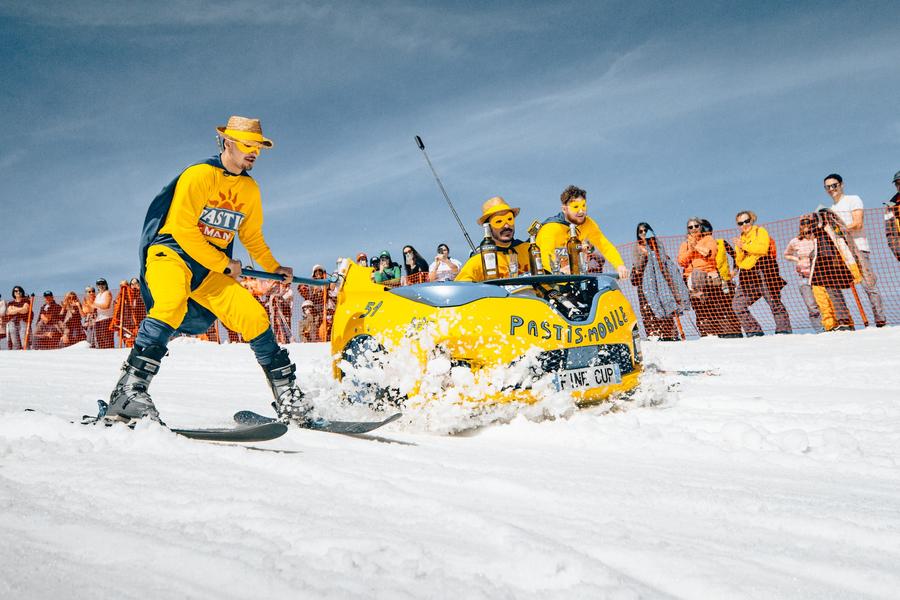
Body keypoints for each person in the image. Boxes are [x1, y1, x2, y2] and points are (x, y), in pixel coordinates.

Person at [104, 115, 310, 424]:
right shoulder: (199, 175)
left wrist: (274, 267)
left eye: (259, 147)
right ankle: (128, 393)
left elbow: (251, 236)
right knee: (170, 304)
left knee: (253, 316)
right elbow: (185, 230)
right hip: (171, 254)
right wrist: (224, 263)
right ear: (228, 142)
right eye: (248, 145)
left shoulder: (250, 190)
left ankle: (288, 396)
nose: (255, 152)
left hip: (211, 269)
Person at [824, 173, 886, 327]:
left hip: (859, 248)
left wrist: (839, 228)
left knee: (868, 284)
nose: (832, 189)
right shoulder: (830, 209)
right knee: (834, 283)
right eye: (828, 187)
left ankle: (880, 320)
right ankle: (845, 322)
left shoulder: (852, 199)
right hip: (842, 252)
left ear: (841, 185)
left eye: (834, 185)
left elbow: (858, 224)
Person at [535, 185, 628, 279]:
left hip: (568, 274)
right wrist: (559, 272)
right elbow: (545, 258)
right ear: (564, 209)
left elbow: (604, 245)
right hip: (536, 273)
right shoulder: (550, 228)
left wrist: (619, 265)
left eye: (583, 206)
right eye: (575, 207)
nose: (581, 211)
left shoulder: (588, 223)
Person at [731, 210, 792, 336]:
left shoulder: (760, 231)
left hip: (763, 270)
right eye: (740, 223)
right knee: (738, 305)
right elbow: (739, 260)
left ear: (752, 220)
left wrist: (744, 247)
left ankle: (783, 330)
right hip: (747, 275)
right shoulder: (740, 239)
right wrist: (741, 249)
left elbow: (762, 249)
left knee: (774, 302)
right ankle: (754, 332)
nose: (744, 225)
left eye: (746, 221)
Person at [630, 222, 685, 340]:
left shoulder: (659, 250)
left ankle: (671, 336)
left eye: (645, 230)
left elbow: (668, 267)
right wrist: (643, 260)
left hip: (662, 287)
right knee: (649, 314)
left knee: (665, 311)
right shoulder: (637, 253)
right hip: (645, 292)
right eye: (641, 232)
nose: (643, 233)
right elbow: (633, 280)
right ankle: (654, 337)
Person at [456, 196, 531, 282]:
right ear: (488, 227)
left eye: (509, 219)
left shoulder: (529, 250)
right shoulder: (479, 259)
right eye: (499, 221)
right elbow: (461, 287)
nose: (506, 226)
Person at [678, 217, 722, 336]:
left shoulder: (708, 239)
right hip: (691, 279)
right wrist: (691, 250)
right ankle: (705, 333)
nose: (693, 229)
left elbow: (710, 254)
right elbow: (681, 261)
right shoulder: (685, 244)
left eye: (696, 226)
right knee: (699, 309)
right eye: (690, 227)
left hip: (707, 276)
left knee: (711, 307)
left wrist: (696, 246)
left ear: (701, 227)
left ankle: (716, 332)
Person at [701, 219, 743, 338]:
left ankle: (736, 333)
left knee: (729, 308)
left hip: (725, 281)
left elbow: (735, 255)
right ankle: (723, 335)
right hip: (710, 283)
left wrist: (735, 270)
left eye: (707, 232)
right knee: (716, 309)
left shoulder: (721, 242)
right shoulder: (700, 248)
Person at [783, 217, 825, 331]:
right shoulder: (795, 241)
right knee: (811, 306)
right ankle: (820, 330)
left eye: (808, 223)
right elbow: (786, 254)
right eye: (803, 223)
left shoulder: (817, 238)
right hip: (804, 277)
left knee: (824, 303)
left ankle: (831, 326)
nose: (805, 225)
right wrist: (797, 260)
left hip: (819, 276)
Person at [5, 286, 31, 350]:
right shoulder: (10, 303)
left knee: (24, 342)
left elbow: (25, 310)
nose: (18, 292)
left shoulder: (26, 301)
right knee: (15, 342)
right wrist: (20, 309)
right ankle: (17, 358)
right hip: (12, 323)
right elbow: (8, 312)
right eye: (16, 291)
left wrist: (14, 309)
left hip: (23, 322)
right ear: (13, 293)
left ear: (22, 292)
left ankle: (28, 357)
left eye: (19, 290)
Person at [93, 278, 115, 349]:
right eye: (99, 284)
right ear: (97, 286)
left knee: (107, 340)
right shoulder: (98, 295)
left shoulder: (107, 293)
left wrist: (94, 304)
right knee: (100, 340)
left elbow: (106, 305)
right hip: (99, 320)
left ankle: (110, 356)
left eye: (102, 283)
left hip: (107, 319)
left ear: (106, 285)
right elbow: (94, 307)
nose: (101, 285)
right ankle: (103, 357)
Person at [885, 170, 900, 263]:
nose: (899, 186)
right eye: (897, 184)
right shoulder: (891, 204)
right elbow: (889, 232)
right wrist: (897, 251)